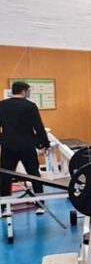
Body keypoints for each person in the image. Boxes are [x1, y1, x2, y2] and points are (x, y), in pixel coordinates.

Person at [0, 81, 51, 215]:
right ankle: (40, 205)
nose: (29, 93)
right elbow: (38, 126)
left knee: (5, 176)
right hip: (26, 145)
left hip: (8, 146)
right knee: (34, 174)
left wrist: (3, 139)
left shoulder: (2, 105)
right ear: (23, 91)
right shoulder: (30, 106)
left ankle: (5, 208)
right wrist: (44, 143)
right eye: (28, 91)